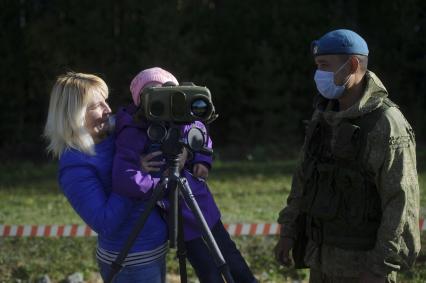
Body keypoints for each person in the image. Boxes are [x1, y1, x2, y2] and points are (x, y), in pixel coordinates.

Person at [274, 29, 420, 283]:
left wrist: (379, 267)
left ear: (352, 64)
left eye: (324, 66)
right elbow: (303, 180)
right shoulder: (323, 117)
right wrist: (289, 232)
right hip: (321, 260)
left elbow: (400, 202)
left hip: (364, 268)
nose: (319, 75)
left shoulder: (385, 123)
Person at [111, 67, 258, 283]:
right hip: (176, 217)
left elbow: (201, 135)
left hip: (202, 208)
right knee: (209, 272)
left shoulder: (183, 120)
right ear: (139, 101)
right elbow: (124, 177)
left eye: (167, 92)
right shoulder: (133, 130)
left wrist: (200, 159)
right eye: (152, 94)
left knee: (233, 262)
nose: (161, 100)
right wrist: (158, 184)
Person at [44, 72, 168, 283]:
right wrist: (131, 176)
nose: (108, 110)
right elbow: (104, 221)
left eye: (105, 101)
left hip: (151, 249)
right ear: (72, 115)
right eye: (95, 106)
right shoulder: (75, 167)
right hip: (129, 260)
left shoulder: (112, 139)